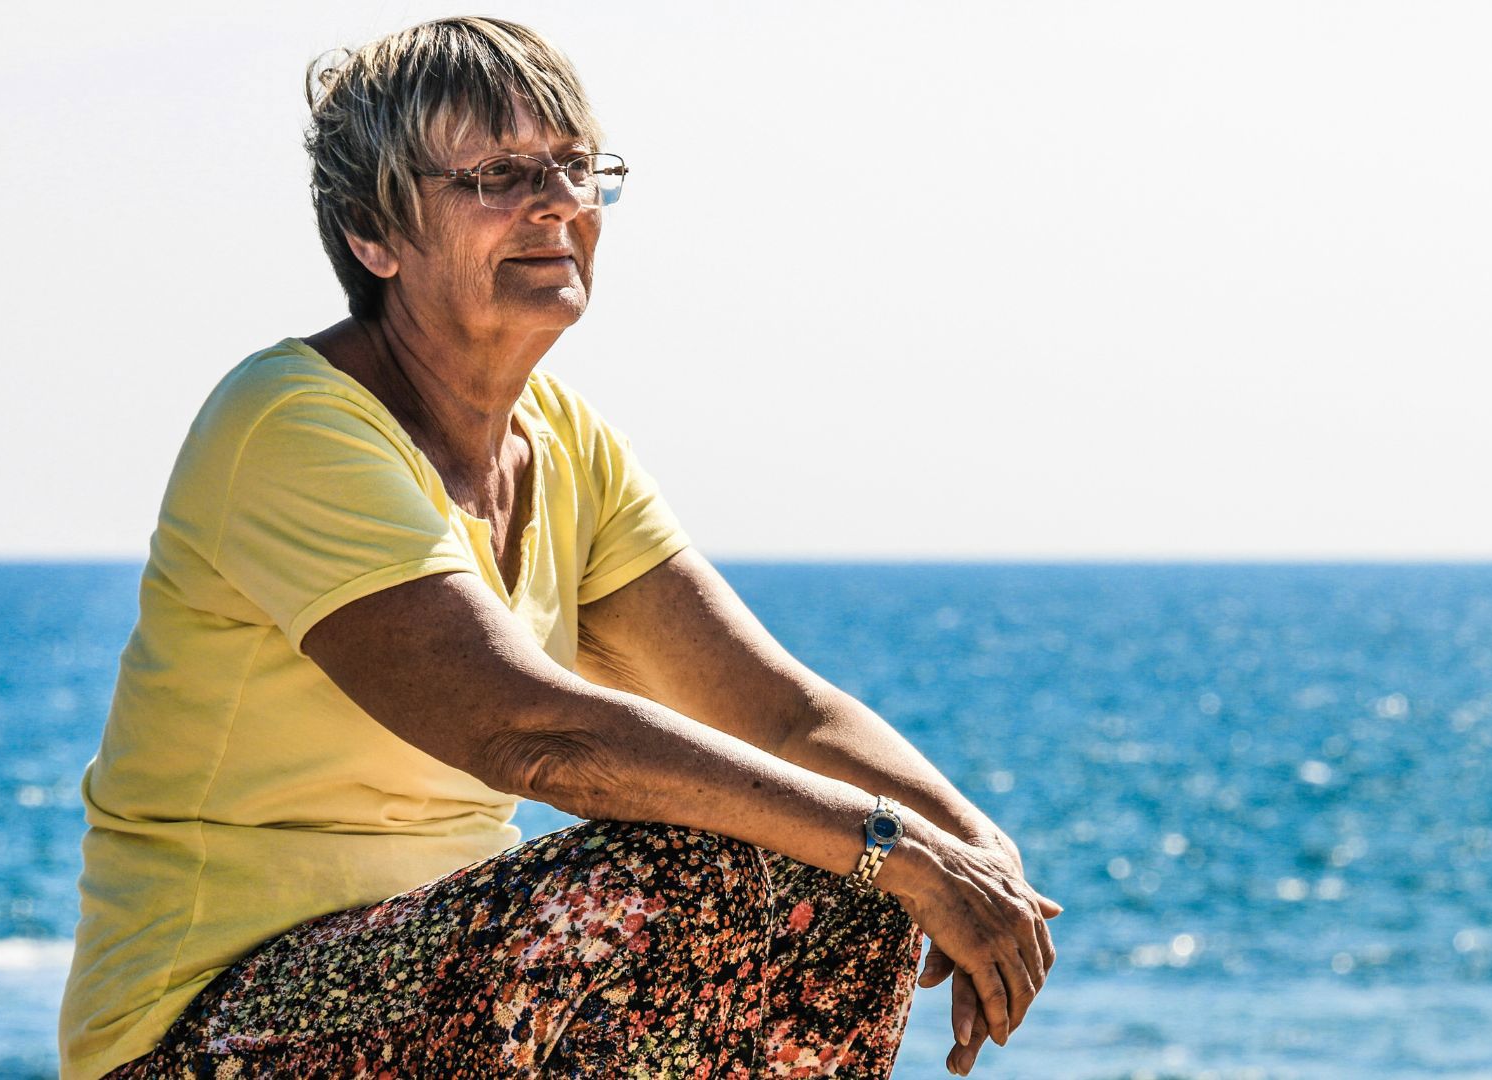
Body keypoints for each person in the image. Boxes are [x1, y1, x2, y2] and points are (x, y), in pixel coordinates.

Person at [58, 15, 1061, 1079]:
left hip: (428, 1005)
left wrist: (974, 857)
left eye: (573, 167)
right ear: (372, 232)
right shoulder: (290, 425)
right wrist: (894, 849)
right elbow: (537, 737)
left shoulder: (567, 445)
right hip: (203, 1031)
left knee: (851, 889)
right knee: (715, 865)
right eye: (495, 175)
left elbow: (781, 715)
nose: (555, 203)